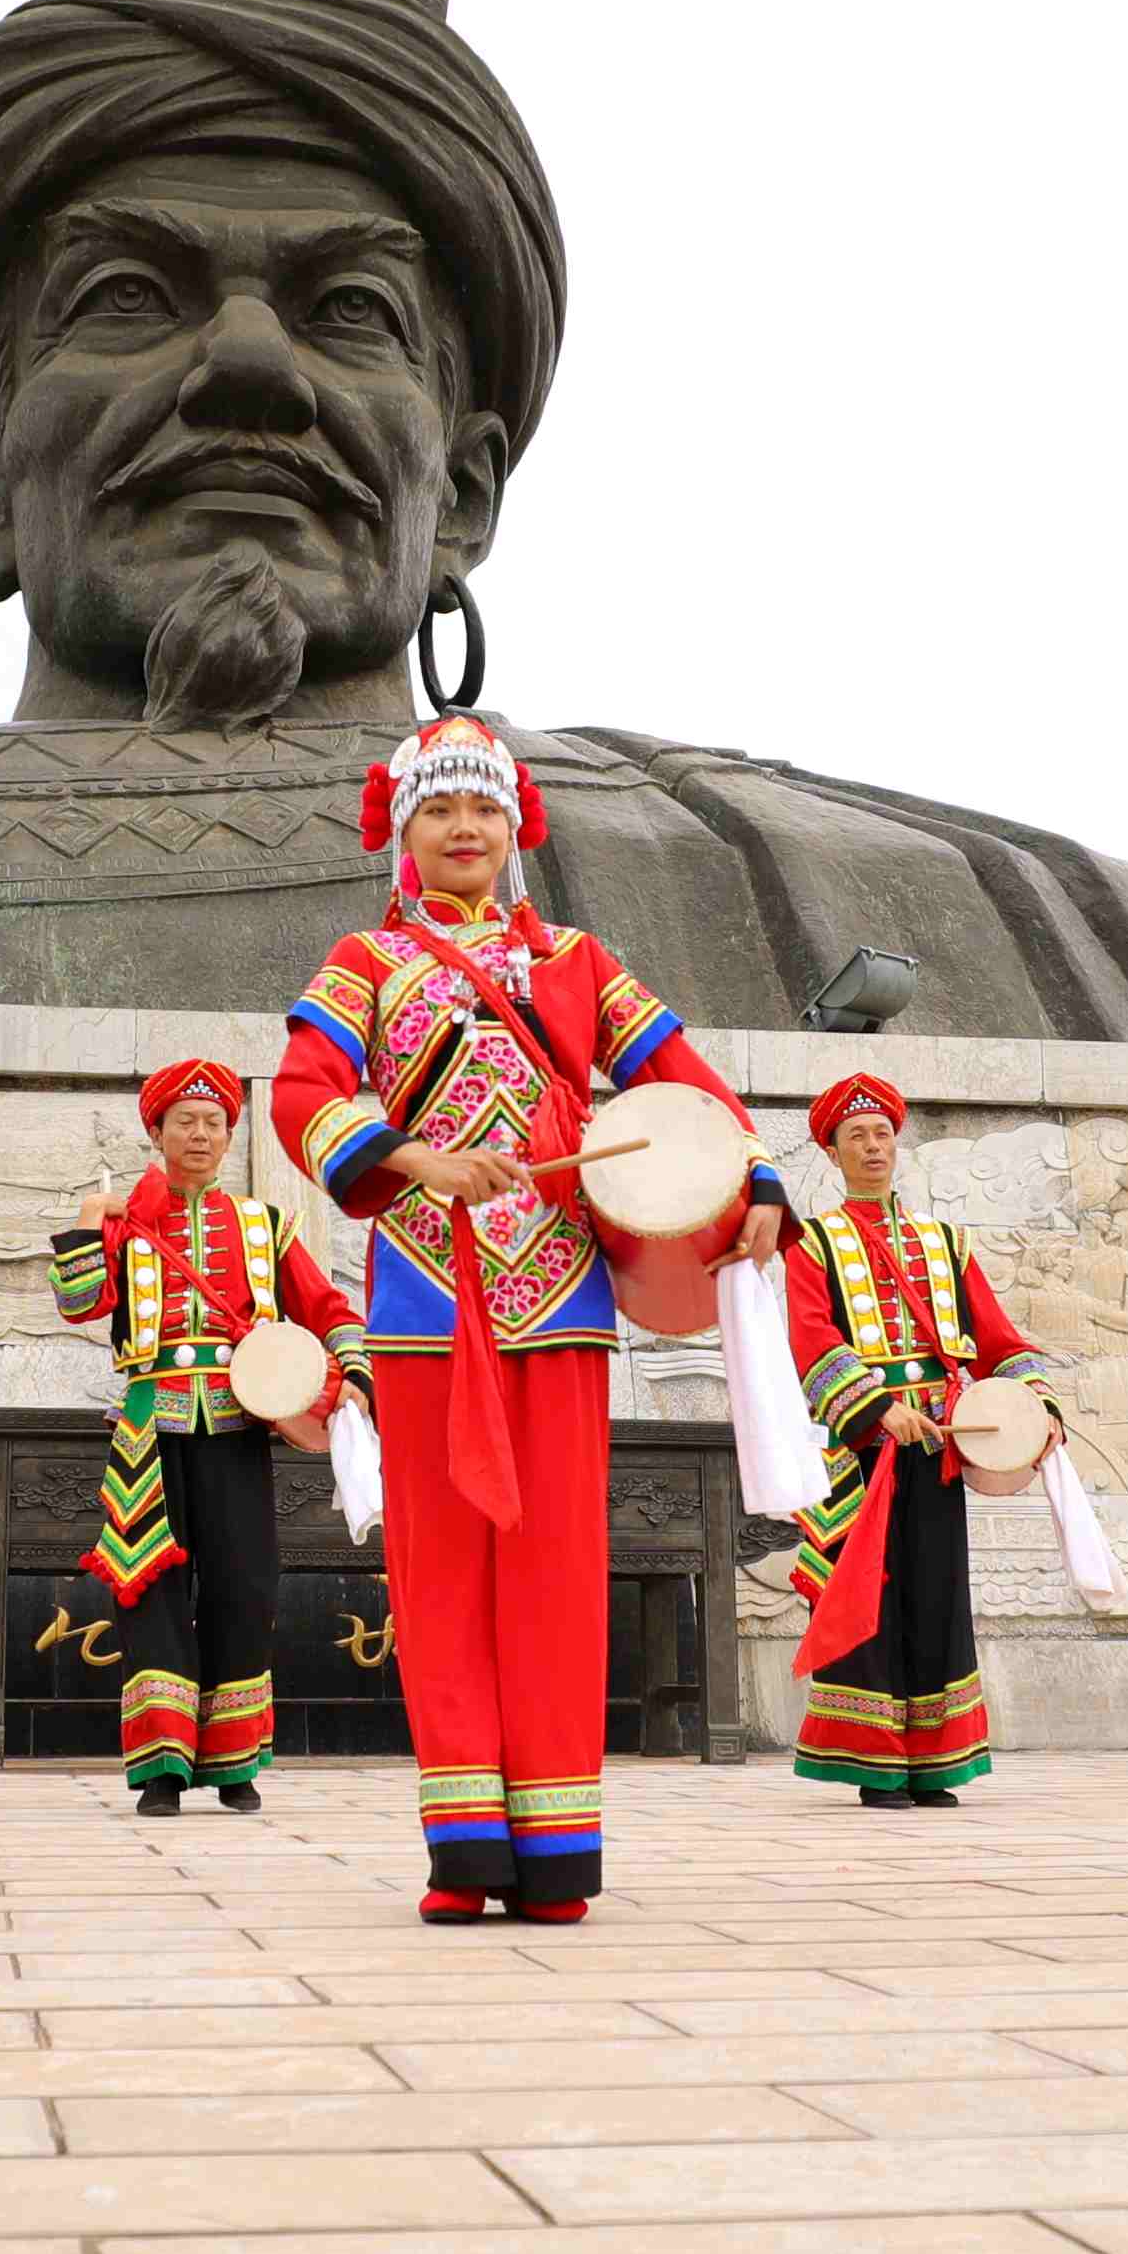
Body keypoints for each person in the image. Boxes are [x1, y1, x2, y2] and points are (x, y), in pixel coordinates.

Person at [269, 711, 788, 1921]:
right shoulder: (365, 962)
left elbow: (682, 1087)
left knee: (557, 1568)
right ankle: (467, 1849)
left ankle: (556, 1851)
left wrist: (755, 1176)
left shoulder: (580, 961)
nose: (464, 828)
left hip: (563, 1296)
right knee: (441, 1571)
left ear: (516, 829)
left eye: (484, 809)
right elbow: (302, 1097)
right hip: (421, 1292)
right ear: (404, 830)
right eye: (440, 808)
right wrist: (412, 1158)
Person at [51, 1055, 352, 1812]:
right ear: (156, 1132)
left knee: (245, 1586)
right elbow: (80, 1304)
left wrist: (354, 1373)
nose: (199, 1133)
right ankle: (161, 1768)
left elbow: (327, 1307)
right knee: (149, 1585)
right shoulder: (126, 1225)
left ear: (229, 1136)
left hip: (239, 1423)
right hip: (151, 1428)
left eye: (213, 1122)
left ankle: (234, 1763)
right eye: (183, 1120)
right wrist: (88, 1228)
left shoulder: (263, 1224)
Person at [779, 1071, 1042, 1807]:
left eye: (883, 1133)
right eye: (856, 1136)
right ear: (832, 1153)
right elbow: (810, 1338)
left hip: (942, 1444)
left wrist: (1037, 1405)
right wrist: (871, 1406)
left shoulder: (943, 1241)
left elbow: (995, 1337)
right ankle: (875, 1764)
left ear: (898, 1144)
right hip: (862, 1453)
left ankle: (935, 1760)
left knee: (937, 1597)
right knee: (869, 1598)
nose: (873, 1146)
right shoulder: (814, 1244)